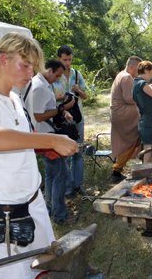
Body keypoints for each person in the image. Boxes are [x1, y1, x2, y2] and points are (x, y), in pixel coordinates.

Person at [0, 33, 78, 278]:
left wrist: (45, 148)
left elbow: (16, 140)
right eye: (25, 65)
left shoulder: (14, 98)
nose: (30, 73)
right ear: (3, 60)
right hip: (4, 216)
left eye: (33, 67)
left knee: (43, 269)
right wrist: (50, 139)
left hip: (33, 203)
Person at [31, 59, 77, 224]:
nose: (57, 79)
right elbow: (37, 116)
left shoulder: (42, 84)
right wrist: (61, 109)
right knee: (60, 175)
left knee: (51, 175)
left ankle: (49, 209)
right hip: (46, 137)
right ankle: (60, 215)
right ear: (49, 70)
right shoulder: (39, 87)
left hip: (45, 136)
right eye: (56, 75)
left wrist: (60, 110)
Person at [55, 45, 88, 197]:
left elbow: (86, 96)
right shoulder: (54, 76)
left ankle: (78, 185)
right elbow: (49, 98)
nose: (67, 63)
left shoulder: (76, 74)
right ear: (58, 59)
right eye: (64, 59)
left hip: (78, 118)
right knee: (66, 154)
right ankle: (67, 189)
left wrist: (78, 91)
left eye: (69, 59)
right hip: (62, 118)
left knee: (78, 152)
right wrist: (61, 99)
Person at [110, 56, 142, 182]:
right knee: (133, 139)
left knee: (128, 141)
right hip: (123, 114)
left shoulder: (122, 74)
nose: (139, 71)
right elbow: (129, 98)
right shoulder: (127, 77)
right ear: (132, 66)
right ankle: (116, 170)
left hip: (119, 114)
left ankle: (117, 168)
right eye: (138, 68)